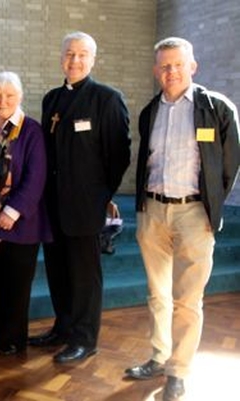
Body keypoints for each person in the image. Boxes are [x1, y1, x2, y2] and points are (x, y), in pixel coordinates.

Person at [124, 37, 240, 401]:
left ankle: (178, 370)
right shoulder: (150, 111)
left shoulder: (216, 108)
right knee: (158, 293)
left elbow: (229, 164)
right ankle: (159, 356)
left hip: (194, 213)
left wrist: (210, 206)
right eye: (164, 66)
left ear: (193, 66)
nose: (170, 71)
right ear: (156, 70)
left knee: (188, 300)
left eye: (177, 64)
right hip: (154, 212)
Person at [29, 31, 131, 363]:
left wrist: (102, 194)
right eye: (69, 54)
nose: (75, 60)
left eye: (82, 55)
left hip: (86, 206)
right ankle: (63, 327)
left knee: (85, 276)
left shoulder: (107, 99)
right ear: (62, 58)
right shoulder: (51, 99)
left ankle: (85, 339)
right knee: (58, 271)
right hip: (53, 205)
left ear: (92, 59)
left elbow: (119, 155)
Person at [0, 72, 51, 355]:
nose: (2, 101)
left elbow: (36, 177)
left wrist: (12, 212)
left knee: (17, 286)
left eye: (9, 96)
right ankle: (0, 336)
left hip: (21, 225)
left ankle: (15, 339)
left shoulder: (32, 131)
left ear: (20, 98)